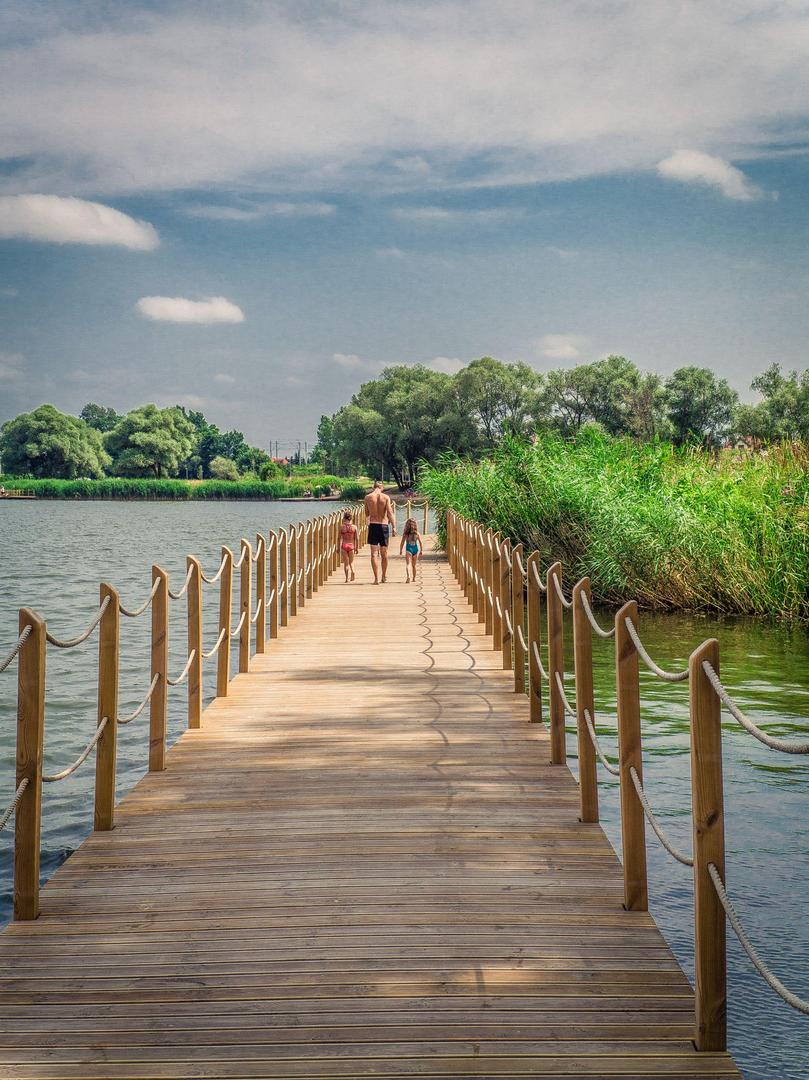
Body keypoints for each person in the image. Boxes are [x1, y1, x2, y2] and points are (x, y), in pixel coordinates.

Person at [363, 479, 396, 584]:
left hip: (373, 526)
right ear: (381, 488)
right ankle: (384, 576)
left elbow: (367, 514)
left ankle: (376, 578)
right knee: (384, 553)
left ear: (373, 487)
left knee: (373, 554)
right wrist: (394, 527)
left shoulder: (367, 498)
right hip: (384, 526)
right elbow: (390, 513)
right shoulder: (386, 497)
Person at [399, 517, 422, 583]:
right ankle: (414, 578)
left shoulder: (405, 534)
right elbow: (420, 542)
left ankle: (408, 576)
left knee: (408, 564)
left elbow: (402, 542)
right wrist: (421, 551)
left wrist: (400, 550)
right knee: (414, 566)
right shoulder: (417, 533)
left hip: (408, 549)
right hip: (415, 550)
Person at [339, 509, 358, 582]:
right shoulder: (354, 527)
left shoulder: (341, 527)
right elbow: (357, 539)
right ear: (351, 518)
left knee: (346, 564)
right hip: (351, 545)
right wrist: (356, 548)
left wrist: (338, 548)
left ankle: (346, 579)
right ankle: (353, 572)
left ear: (344, 518)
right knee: (351, 562)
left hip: (344, 546)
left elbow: (339, 538)